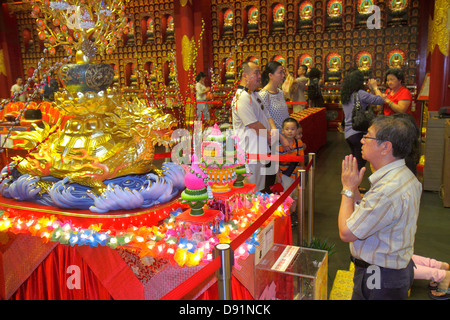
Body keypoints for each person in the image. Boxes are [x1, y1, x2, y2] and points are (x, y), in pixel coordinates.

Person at [338, 115, 422, 300]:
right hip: (388, 272)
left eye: (367, 136)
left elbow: (346, 232)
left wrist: (347, 189)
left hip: (380, 277)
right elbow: (370, 215)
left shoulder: (387, 190)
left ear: (386, 147)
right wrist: (356, 192)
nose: (362, 140)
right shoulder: (403, 176)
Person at [231, 61, 277, 192]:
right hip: (250, 152)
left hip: (261, 149)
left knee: (264, 188)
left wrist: (273, 132)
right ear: (245, 76)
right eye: (256, 73)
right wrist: (271, 138)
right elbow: (253, 125)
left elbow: (266, 114)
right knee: (253, 191)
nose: (259, 76)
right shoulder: (242, 97)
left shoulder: (255, 94)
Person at [340, 69, 385, 171]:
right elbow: (381, 100)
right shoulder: (360, 93)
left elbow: (370, 99)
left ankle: (355, 186)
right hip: (358, 132)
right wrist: (375, 87)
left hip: (348, 133)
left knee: (356, 161)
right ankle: (353, 185)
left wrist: (371, 91)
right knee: (359, 163)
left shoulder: (345, 94)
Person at [278, 118, 305, 222]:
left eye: (293, 129)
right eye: (287, 129)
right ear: (283, 131)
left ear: (297, 130)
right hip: (285, 176)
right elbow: (276, 161)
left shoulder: (298, 143)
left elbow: (301, 158)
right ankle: (286, 217)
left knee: (296, 196)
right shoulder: (279, 145)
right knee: (286, 197)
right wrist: (278, 176)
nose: (290, 131)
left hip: (297, 175)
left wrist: (302, 170)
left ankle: (293, 214)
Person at [259, 61, 290, 131]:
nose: (283, 75)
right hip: (273, 136)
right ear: (270, 75)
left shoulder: (280, 92)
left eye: (283, 72)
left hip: (285, 134)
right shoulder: (264, 95)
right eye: (280, 72)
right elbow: (263, 120)